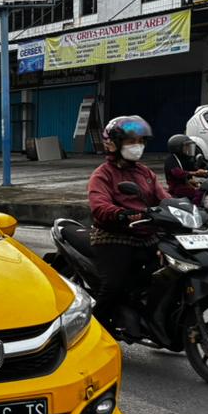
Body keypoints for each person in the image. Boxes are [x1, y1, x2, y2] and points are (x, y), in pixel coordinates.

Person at [86, 115, 164, 334]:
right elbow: (99, 205)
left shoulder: (145, 173)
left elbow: (163, 197)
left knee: (167, 273)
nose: (137, 146)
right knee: (114, 285)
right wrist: (122, 214)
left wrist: (182, 206)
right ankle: (95, 330)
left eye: (140, 141)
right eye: (131, 141)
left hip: (146, 235)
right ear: (113, 144)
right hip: (114, 236)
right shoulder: (102, 174)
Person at [164, 134, 208, 205]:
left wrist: (207, 172)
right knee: (200, 194)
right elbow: (177, 173)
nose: (189, 148)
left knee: (206, 189)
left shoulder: (186, 158)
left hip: (186, 185)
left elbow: (194, 169)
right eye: (186, 146)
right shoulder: (171, 159)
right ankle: (195, 208)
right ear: (177, 148)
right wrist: (195, 173)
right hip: (177, 188)